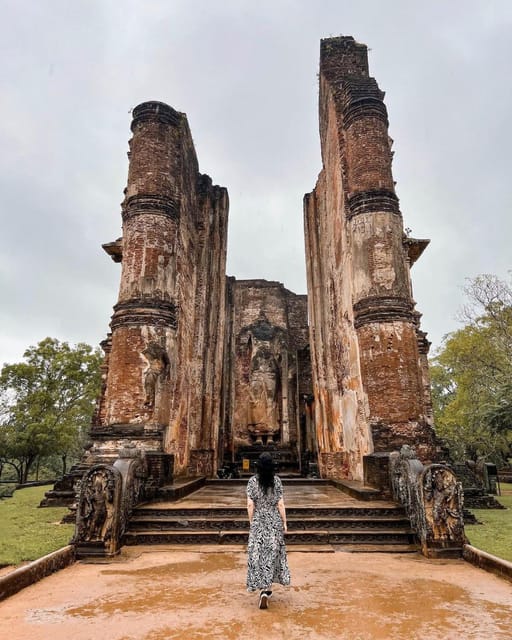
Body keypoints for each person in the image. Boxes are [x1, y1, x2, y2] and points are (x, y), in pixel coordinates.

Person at [246, 452, 291, 609]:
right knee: (272, 553)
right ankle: (267, 589)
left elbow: (250, 505)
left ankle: (263, 588)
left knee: (258, 554)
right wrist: (285, 522)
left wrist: (252, 521)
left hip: (259, 520)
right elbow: (280, 504)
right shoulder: (276, 481)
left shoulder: (252, 481)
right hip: (273, 520)